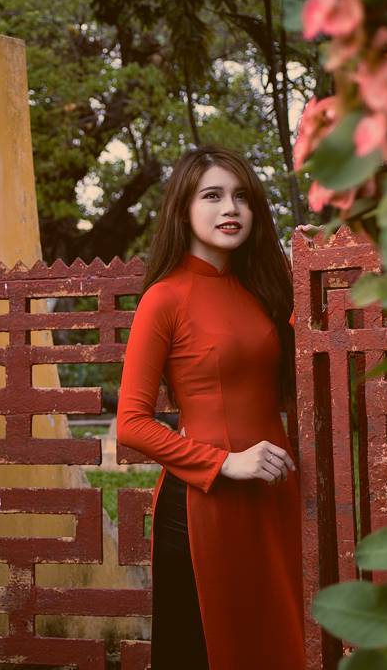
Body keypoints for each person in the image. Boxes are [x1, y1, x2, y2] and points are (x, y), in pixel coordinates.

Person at [116, 145, 304, 669]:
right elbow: (130, 424)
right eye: (213, 196)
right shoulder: (164, 299)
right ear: (183, 210)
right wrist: (226, 462)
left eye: (241, 196)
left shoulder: (265, 290)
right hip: (205, 503)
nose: (231, 209)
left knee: (279, 643)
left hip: (273, 494)